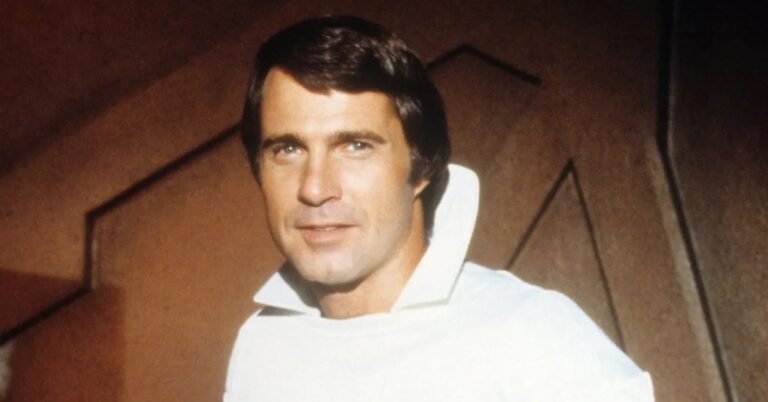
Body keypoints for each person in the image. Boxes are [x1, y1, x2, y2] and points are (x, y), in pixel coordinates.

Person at [225, 15, 654, 402]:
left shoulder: (532, 334)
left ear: (423, 166)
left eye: (355, 146)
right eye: (287, 149)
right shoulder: (261, 346)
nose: (315, 188)